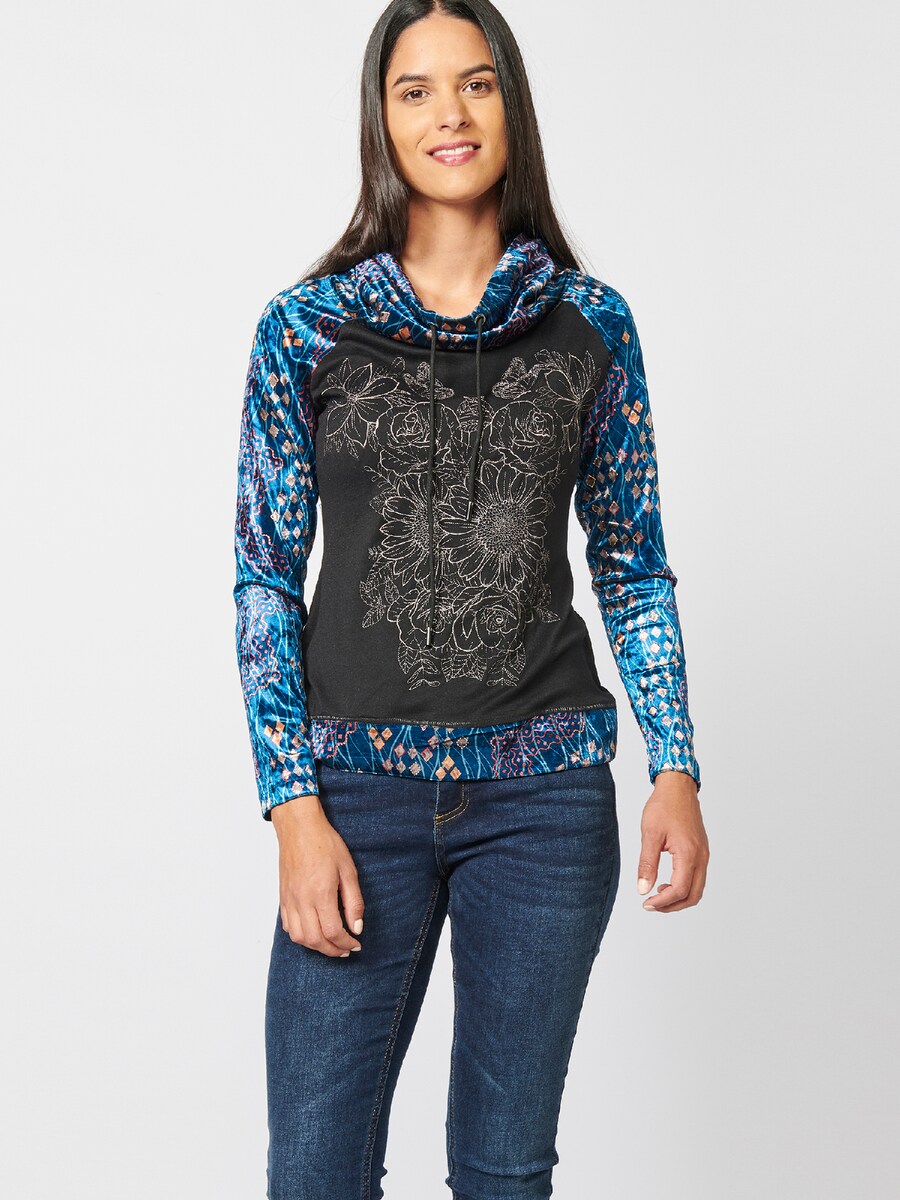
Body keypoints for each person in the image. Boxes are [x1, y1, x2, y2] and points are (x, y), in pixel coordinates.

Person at [232, 1, 710, 1196]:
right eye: (415, 90)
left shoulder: (592, 325)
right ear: (382, 121)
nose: (449, 113)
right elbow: (263, 575)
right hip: (355, 797)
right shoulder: (306, 329)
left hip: (544, 802)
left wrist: (675, 764)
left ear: (511, 106)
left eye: (476, 83)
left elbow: (632, 562)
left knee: (504, 1171)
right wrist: (292, 806)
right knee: (315, 1171)